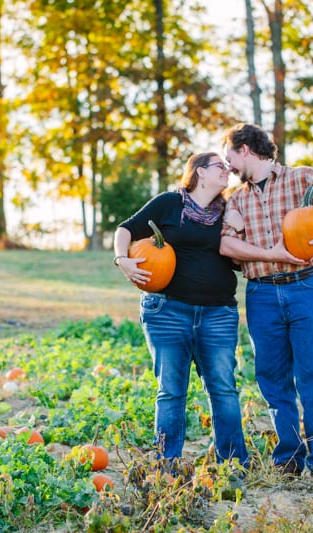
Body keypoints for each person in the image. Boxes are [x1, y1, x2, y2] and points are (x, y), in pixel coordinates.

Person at [218, 123, 313, 483]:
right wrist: (268, 252)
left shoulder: (302, 179)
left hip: (304, 289)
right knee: (272, 377)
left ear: (245, 149)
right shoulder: (236, 201)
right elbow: (226, 246)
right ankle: (289, 454)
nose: (228, 165)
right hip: (261, 293)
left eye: (229, 156)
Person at [113, 152, 249, 470]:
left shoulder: (230, 209)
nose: (227, 171)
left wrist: (241, 230)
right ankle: (167, 465)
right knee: (172, 390)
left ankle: (233, 464)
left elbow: (240, 259)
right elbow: (125, 230)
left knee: (223, 388)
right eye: (220, 166)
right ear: (200, 172)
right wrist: (122, 260)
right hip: (168, 311)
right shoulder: (169, 203)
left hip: (218, 313)